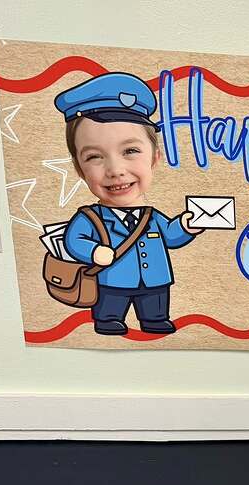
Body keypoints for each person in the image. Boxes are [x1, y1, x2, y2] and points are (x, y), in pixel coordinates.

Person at [54, 72, 201, 335]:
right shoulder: (90, 217)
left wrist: (185, 226)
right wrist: (93, 252)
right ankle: (108, 319)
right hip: (113, 279)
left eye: (130, 151)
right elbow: (74, 240)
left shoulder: (152, 216)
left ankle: (154, 318)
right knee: (111, 303)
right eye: (94, 157)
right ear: (79, 168)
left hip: (155, 279)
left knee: (155, 302)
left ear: (155, 158)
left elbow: (170, 236)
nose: (115, 170)